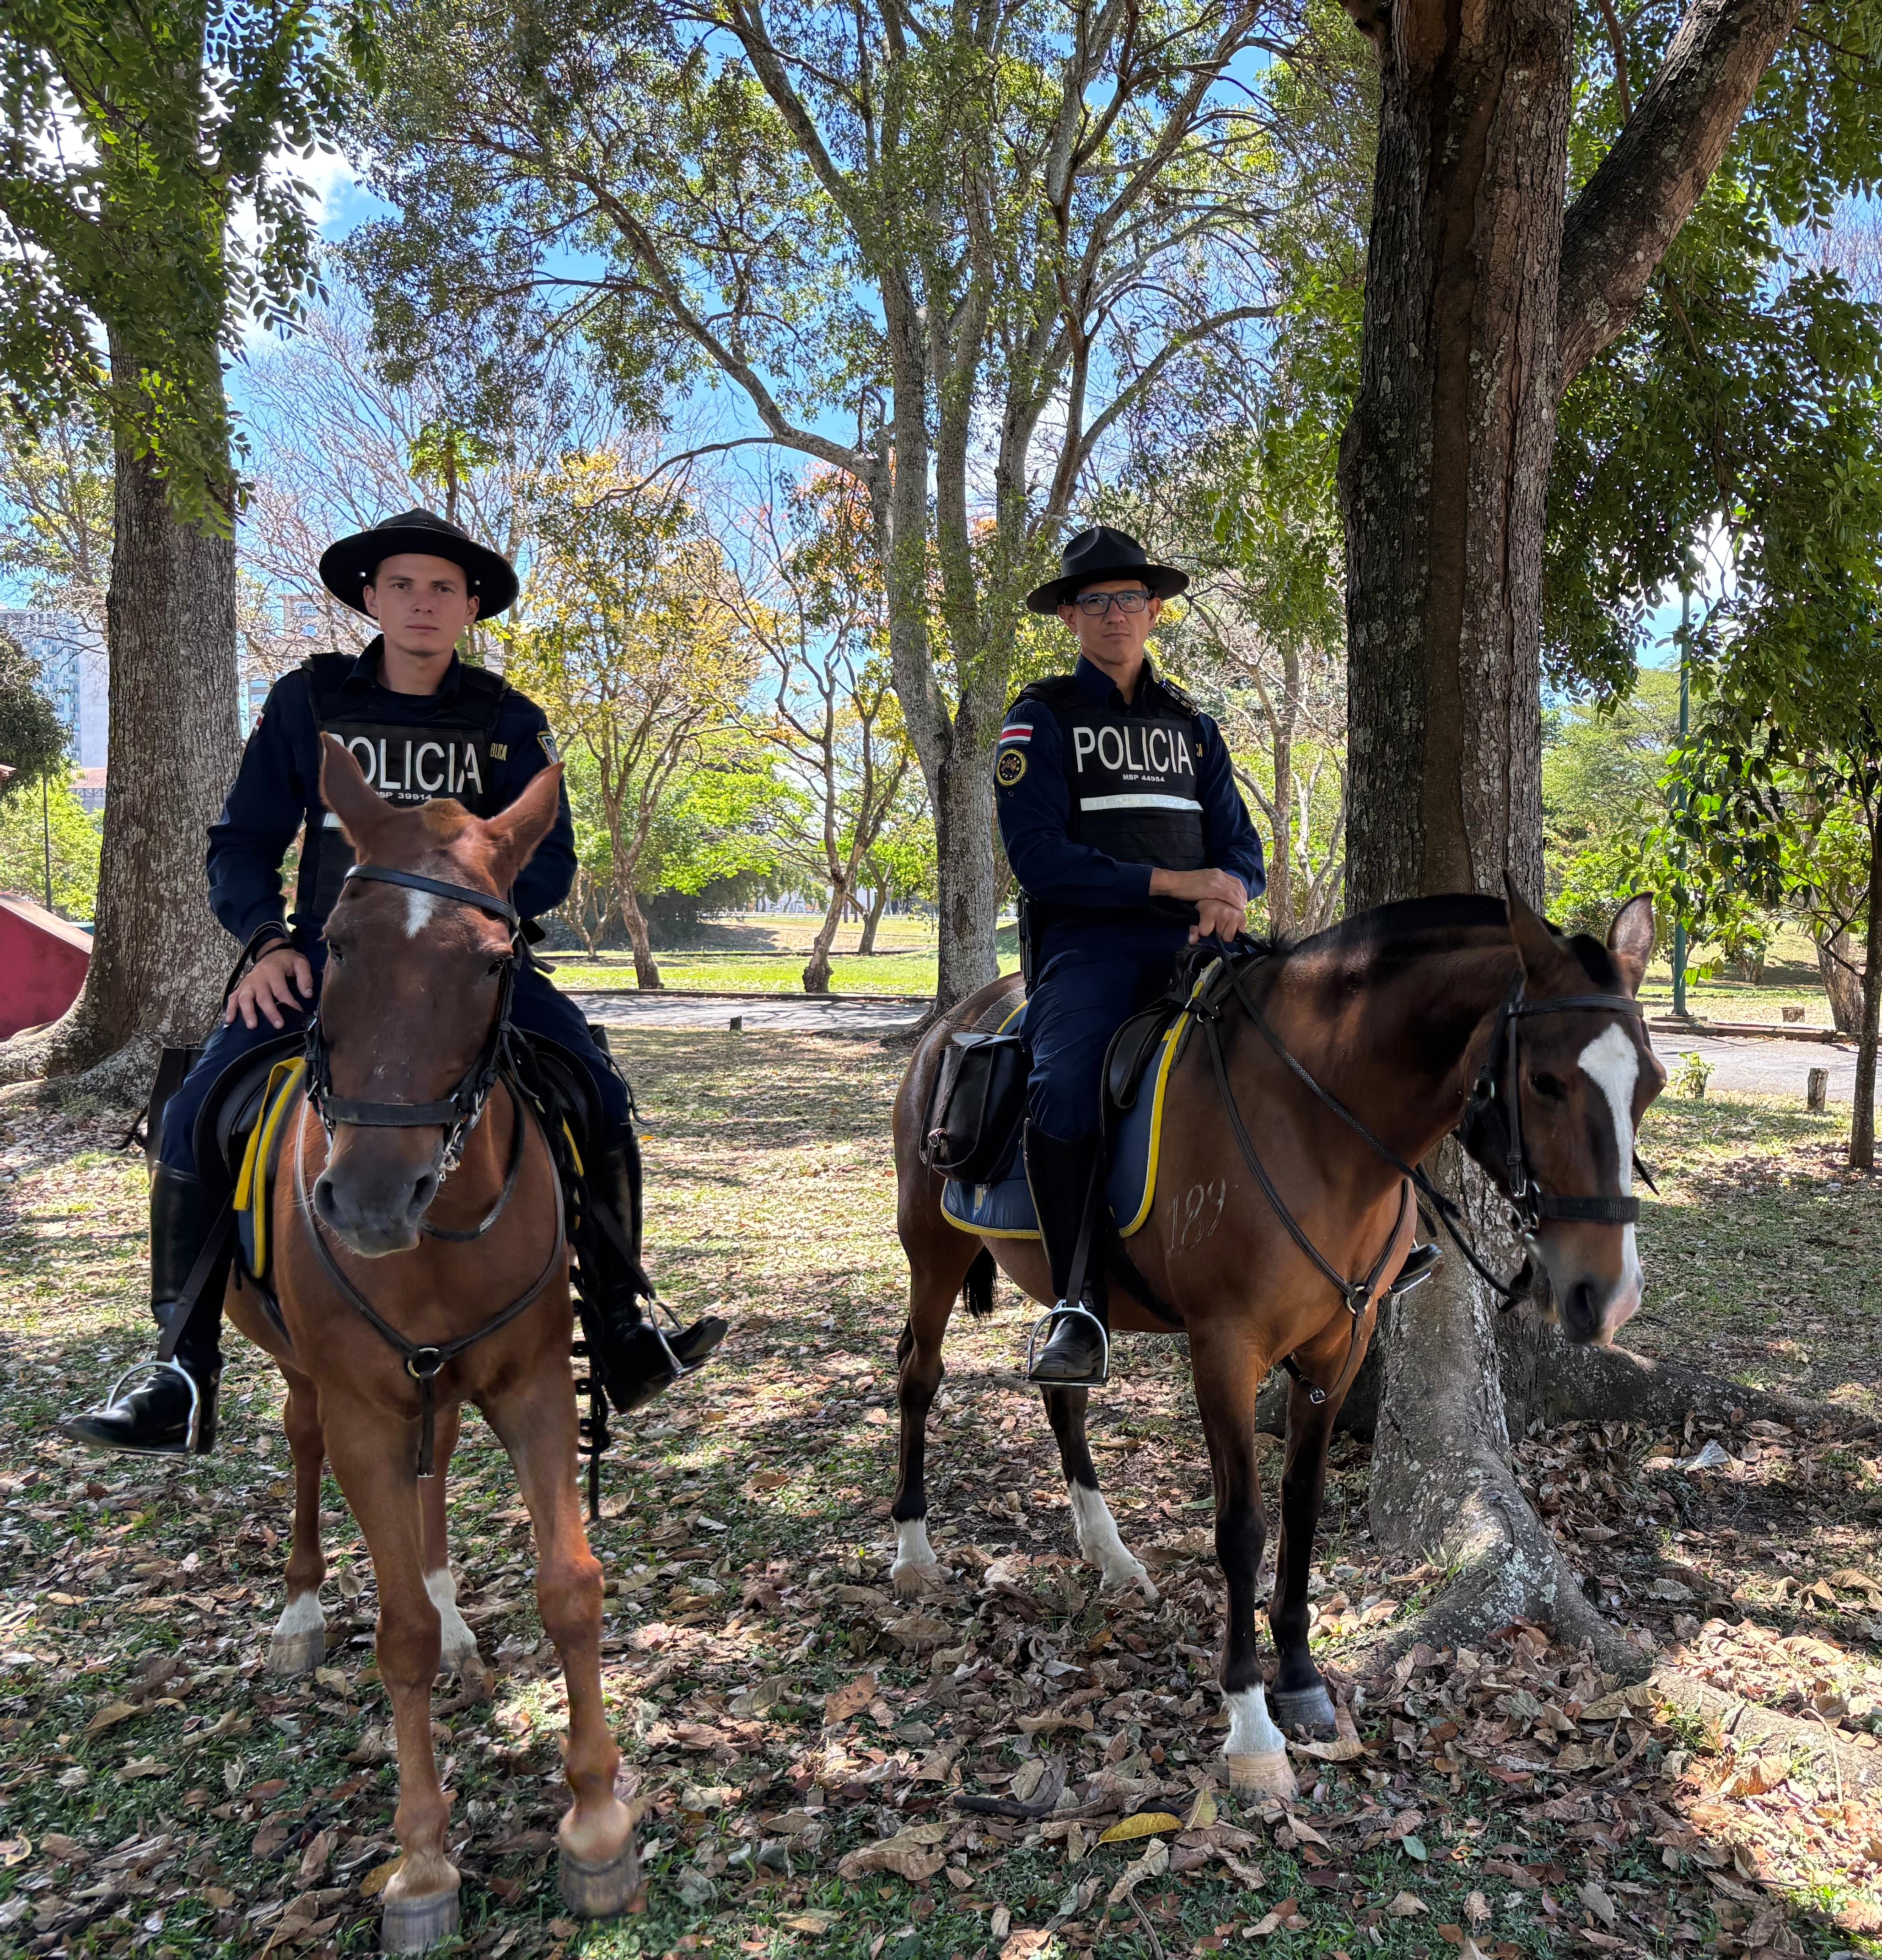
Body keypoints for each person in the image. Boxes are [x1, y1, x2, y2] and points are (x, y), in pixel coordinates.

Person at [63, 509, 724, 1455]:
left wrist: (474, 925)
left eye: (443, 589)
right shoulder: (306, 702)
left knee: (595, 1089)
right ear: (370, 598)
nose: (423, 603)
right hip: (327, 966)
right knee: (197, 1105)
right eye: (403, 586)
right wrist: (265, 945)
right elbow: (240, 844)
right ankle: (180, 1366)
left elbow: (548, 866)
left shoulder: (509, 721)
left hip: (466, 969)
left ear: (469, 609)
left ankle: (621, 1328)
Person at [997, 526, 1267, 1389]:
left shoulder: (1194, 724)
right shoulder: (1038, 718)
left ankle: (1369, 1241)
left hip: (1205, 942)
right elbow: (1038, 858)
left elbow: (1242, 848)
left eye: (1130, 600)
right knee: (1063, 1083)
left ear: (1154, 611)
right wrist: (1175, 882)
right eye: (1095, 601)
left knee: (1314, 1032)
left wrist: (1227, 890)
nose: (1115, 615)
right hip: (1092, 947)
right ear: (1071, 617)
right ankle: (1075, 1303)